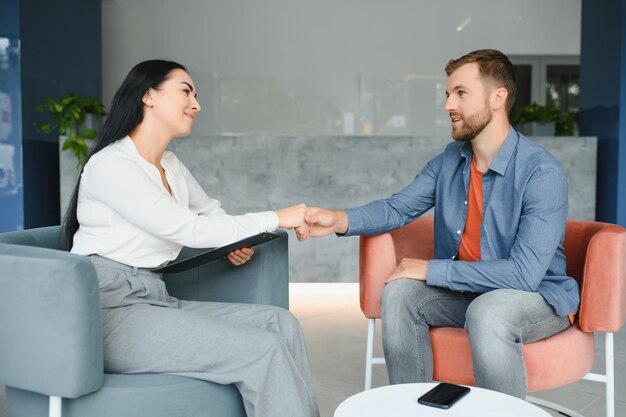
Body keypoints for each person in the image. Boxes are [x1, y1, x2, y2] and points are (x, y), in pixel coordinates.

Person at [304, 49, 579, 399]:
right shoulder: (450, 161)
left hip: (536, 297)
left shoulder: (541, 172)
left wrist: (433, 270)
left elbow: (524, 275)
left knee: (488, 312)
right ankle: (411, 407)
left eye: (460, 93)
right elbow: (397, 208)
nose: (448, 104)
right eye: (447, 94)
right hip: (472, 291)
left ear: (498, 98)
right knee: (400, 294)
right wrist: (338, 220)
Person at [65, 60, 319, 417]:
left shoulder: (170, 164)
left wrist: (230, 243)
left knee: (282, 324)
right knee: (262, 349)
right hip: (109, 309)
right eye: (186, 91)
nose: (196, 104)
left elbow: (209, 212)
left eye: (196, 95)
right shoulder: (112, 165)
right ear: (149, 96)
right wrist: (276, 217)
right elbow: (187, 228)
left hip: (154, 297)